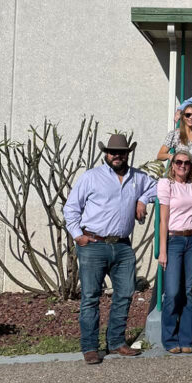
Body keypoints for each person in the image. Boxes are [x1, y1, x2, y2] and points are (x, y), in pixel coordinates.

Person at [63, 133, 157, 365]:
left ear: (128, 154)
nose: (117, 155)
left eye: (122, 152)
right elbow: (71, 208)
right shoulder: (91, 177)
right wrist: (78, 236)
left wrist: (142, 200)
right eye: (113, 152)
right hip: (93, 244)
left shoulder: (138, 177)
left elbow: (158, 188)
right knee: (90, 298)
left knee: (125, 294)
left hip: (123, 247)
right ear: (106, 153)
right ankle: (90, 347)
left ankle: (116, 342)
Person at [157, 148, 192, 355]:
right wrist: (162, 250)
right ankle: (169, 338)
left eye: (186, 163)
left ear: (191, 165)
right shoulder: (166, 184)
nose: (182, 166)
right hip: (174, 239)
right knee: (173, 291)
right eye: (178, 162)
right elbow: (163, 219)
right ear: (173, 164)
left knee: (188, 290)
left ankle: (187, 338)